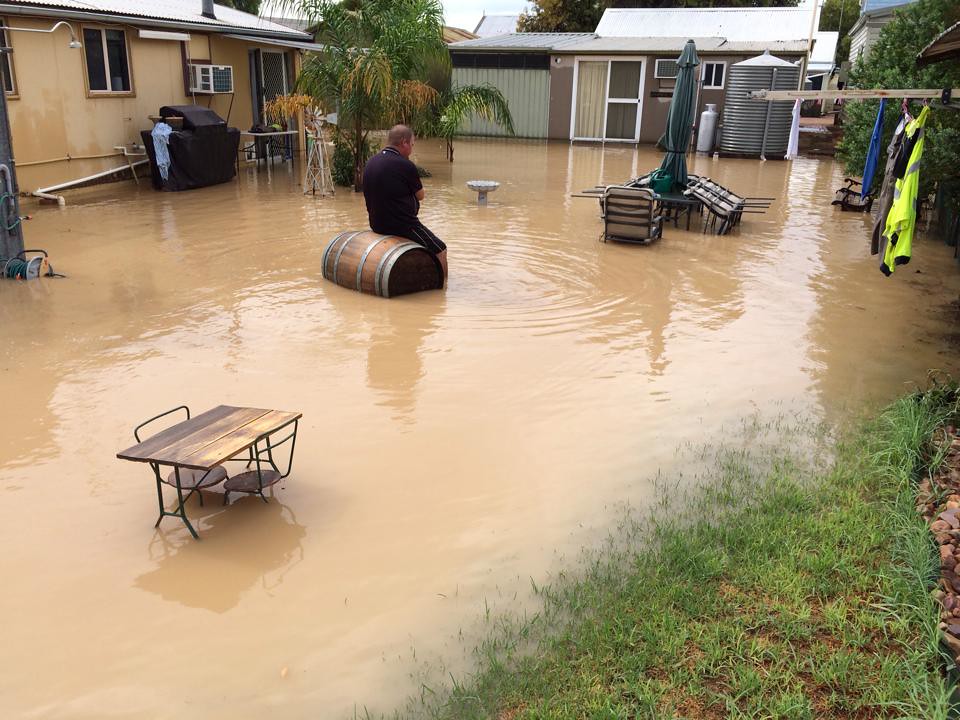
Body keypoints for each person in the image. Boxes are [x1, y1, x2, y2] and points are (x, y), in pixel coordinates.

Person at [362, 125, 447, 278]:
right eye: (412, 145)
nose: (412, 149)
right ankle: (443, 289)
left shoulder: (371, 162)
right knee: (440, 249)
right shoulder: (405, 165)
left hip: (376, 224)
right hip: (403, 226)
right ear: (404, 142)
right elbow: (421, 195)